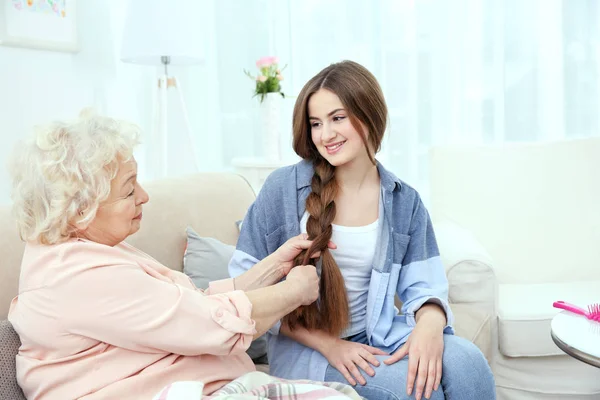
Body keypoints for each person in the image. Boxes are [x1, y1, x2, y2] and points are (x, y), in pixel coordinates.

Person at [6, 110, 336, 400]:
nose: (144, 196)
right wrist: (294, 291)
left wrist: (275, 266)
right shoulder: (76, 278)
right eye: (129, 189)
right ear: (81, 210)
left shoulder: (85, 249)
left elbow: (189, 306)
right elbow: (213, 324)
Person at [229, 60, 496, 400]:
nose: (325, 135)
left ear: (368, 115)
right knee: (415, 392)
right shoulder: (282, 189)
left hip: (382, 334)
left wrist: (430, 323)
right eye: (316, 123)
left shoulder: (404, 201)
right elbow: (245, 290)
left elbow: (425, 285)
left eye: (337, 118)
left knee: (469, 364)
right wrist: (331, 346)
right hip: (310, 351)